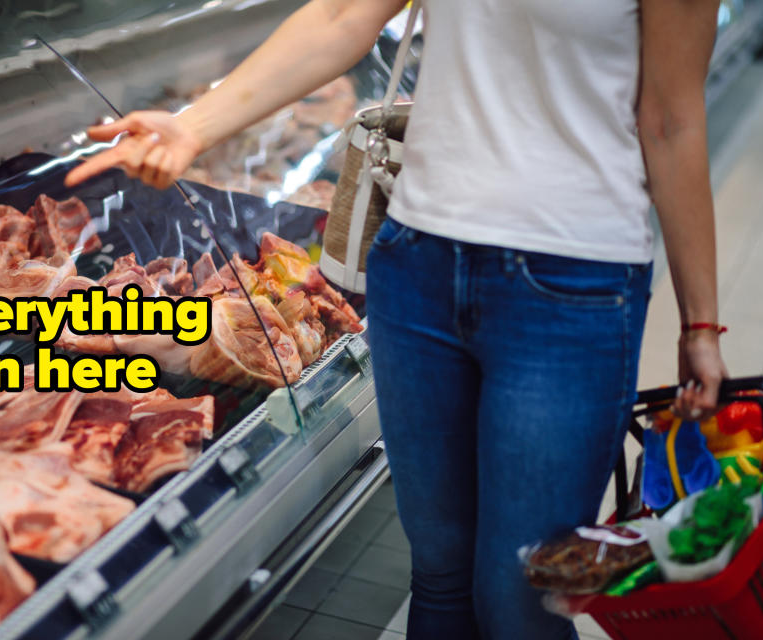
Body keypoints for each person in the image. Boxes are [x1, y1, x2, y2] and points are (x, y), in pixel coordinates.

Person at [66, 1, 729, 637]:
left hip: (569, 284)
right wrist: (194, 125)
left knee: (519, 596)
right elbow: (341, 15)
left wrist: (701, 322)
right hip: (420, 264)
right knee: (439, 575)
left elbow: (671, 120)